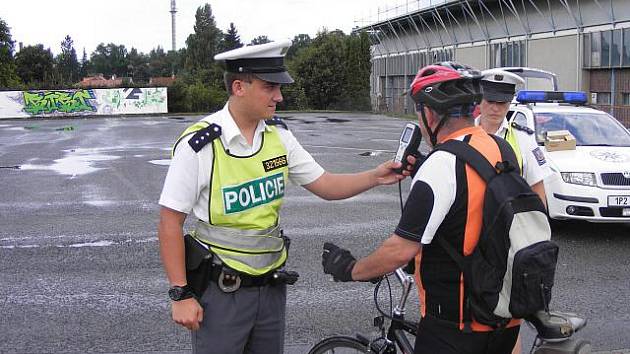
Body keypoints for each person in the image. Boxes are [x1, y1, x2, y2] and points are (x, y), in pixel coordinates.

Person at [157, 39, 411, 354]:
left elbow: (325, 184)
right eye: (269, 87)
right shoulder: (201, 144)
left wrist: (375, 176)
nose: (279, 95)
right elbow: (170, 220)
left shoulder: (278, 135)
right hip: (221, 290)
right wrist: (180, 294)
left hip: (271, 289)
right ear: (239, 87)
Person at [321, 62, 521, 354]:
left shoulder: (441, 164)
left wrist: (352, 269)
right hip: (503, 319)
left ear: (429, 113)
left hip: (455, 327)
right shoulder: (500, 148)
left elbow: (399, 250)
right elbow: (475, 209)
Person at [477, 69, 552, 208]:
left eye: (502, 102)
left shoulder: (524, 138)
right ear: (479, 99)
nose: (495, 108)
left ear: (510, 101)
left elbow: (537, 187)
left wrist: (540, 226)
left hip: (510, 219)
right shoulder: (464, 135)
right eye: (490, 101)